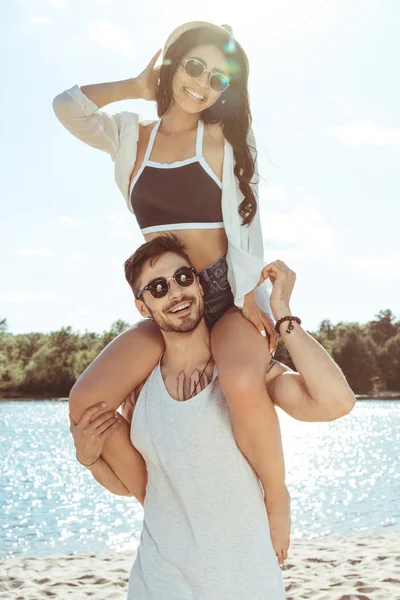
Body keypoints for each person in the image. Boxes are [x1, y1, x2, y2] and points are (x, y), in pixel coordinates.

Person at [54, 21, 334, 561]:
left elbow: (247, 230)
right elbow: (67, 106)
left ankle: (276, 498)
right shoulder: (130, 136)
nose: (203, 82)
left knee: (240, 382)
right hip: (169, 301)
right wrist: (137, 86)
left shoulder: (224, 139)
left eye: (218, 77)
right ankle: (155, 501)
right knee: (86, 400)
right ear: (173, 64)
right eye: (195, 66)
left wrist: (254, 300)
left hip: (223, 295)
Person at [70, 235, 356, 597]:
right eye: (158, 287)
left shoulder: (250, 377)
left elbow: (338, 402)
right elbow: (139, 488)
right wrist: (90, 461)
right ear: (143, 307)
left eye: (183, 278)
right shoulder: (139, 389)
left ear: (200, 285)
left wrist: (282, 310)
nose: (175, 292)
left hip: (244, 581)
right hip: (160, 582)